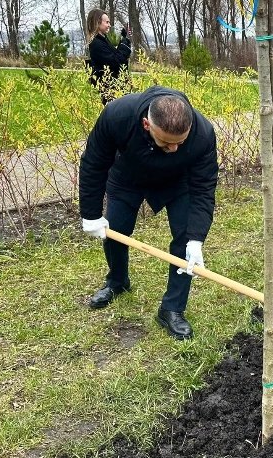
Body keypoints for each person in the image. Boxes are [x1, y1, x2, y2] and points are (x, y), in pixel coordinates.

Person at [78, 86, 219, 340]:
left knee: (185, 240)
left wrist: (196, 238)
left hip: (178, 182)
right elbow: (94, 163)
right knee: (116, 230)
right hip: (127, 177)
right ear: (146, 124)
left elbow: (203, 189)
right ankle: (117, 282)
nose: (174, 148)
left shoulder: (203, 134)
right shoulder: (117, 116)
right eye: (166, 141)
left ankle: (172, 309)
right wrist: (90, 214)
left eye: (180, 142)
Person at [85, 8, 132, 105]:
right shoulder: (96, 44)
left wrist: (124, 38)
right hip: (111, 92)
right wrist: (125, 42)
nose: (109, 25)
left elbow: (115, 57)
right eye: (107, 22)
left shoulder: (102, 41)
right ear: (98, 23)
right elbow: (117, 62)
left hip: (115, 90)